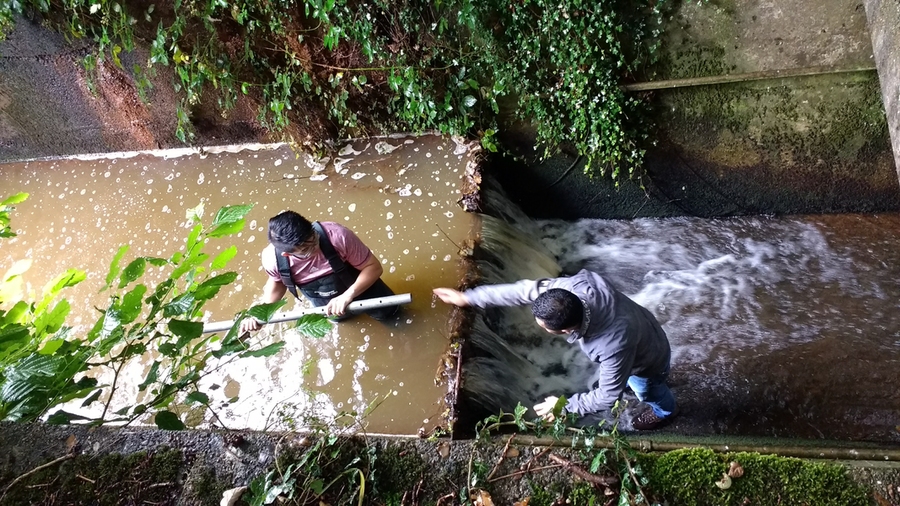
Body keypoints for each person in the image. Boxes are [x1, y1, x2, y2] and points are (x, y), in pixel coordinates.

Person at [432, 269, 677, 430]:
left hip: (647, 359)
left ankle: (665, 410)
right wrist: (470, 298)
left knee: (648, 388)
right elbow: (521, 291)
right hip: (645, 325)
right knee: (635, 379)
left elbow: (607, 396)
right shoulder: (570, 289)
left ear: (565, 330)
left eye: (544, 327)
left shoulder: (612, 344)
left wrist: (563, 406)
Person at [240, 210, 398, 333]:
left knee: (395, 319)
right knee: (348, 327)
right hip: (326, 304)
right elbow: (278, 283)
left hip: (365, 290)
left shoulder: (337, 236)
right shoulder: (272, 260)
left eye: (314, 238)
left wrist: (347, 295)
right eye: (306, 249)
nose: (315, 246)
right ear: (287, 254)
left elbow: (373, 267)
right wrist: (260, 315)